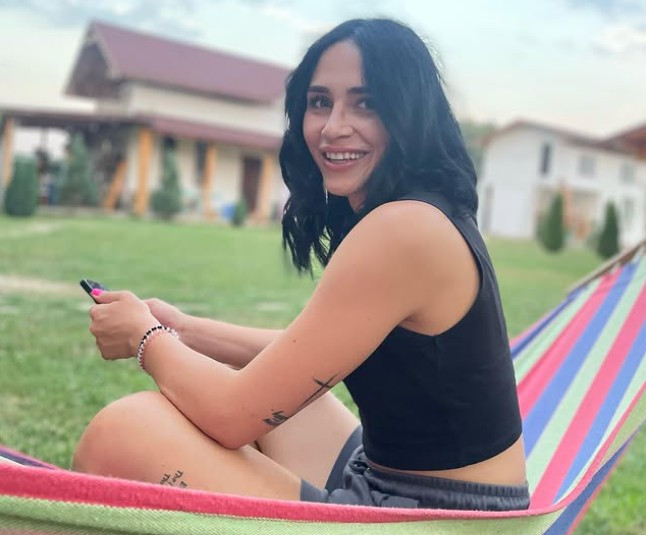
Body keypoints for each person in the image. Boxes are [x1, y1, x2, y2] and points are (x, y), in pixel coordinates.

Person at [73, 18, 529, 511]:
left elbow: (232, 416)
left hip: (439, 518)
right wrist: (182, 329)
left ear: (408, 111)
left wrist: (145, 339)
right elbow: (310, 352)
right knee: (267, 388)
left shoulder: (404, 229)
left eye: (366, 103)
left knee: (120, 432)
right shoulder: (419, 211)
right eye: (320, 102)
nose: (333, 127)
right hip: (395, 480)